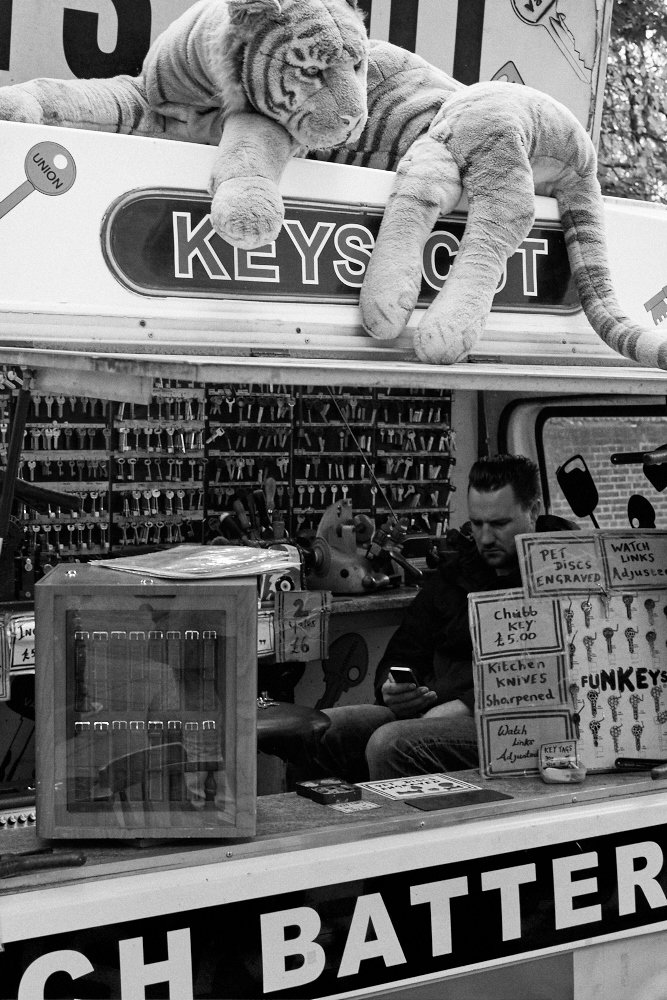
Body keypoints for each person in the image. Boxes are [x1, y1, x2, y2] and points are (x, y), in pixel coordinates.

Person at [315, 454, 577, 782]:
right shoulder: (456, 574)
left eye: (499, 524)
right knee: (321, 729)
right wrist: (392, 688)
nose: (484, 538)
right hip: (432, 706)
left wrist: (468, 705)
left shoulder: (565, 571)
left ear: (534, 511)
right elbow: (402, 651)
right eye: (477, 523)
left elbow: (562, 671)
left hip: (513, 721)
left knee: (391, 744)